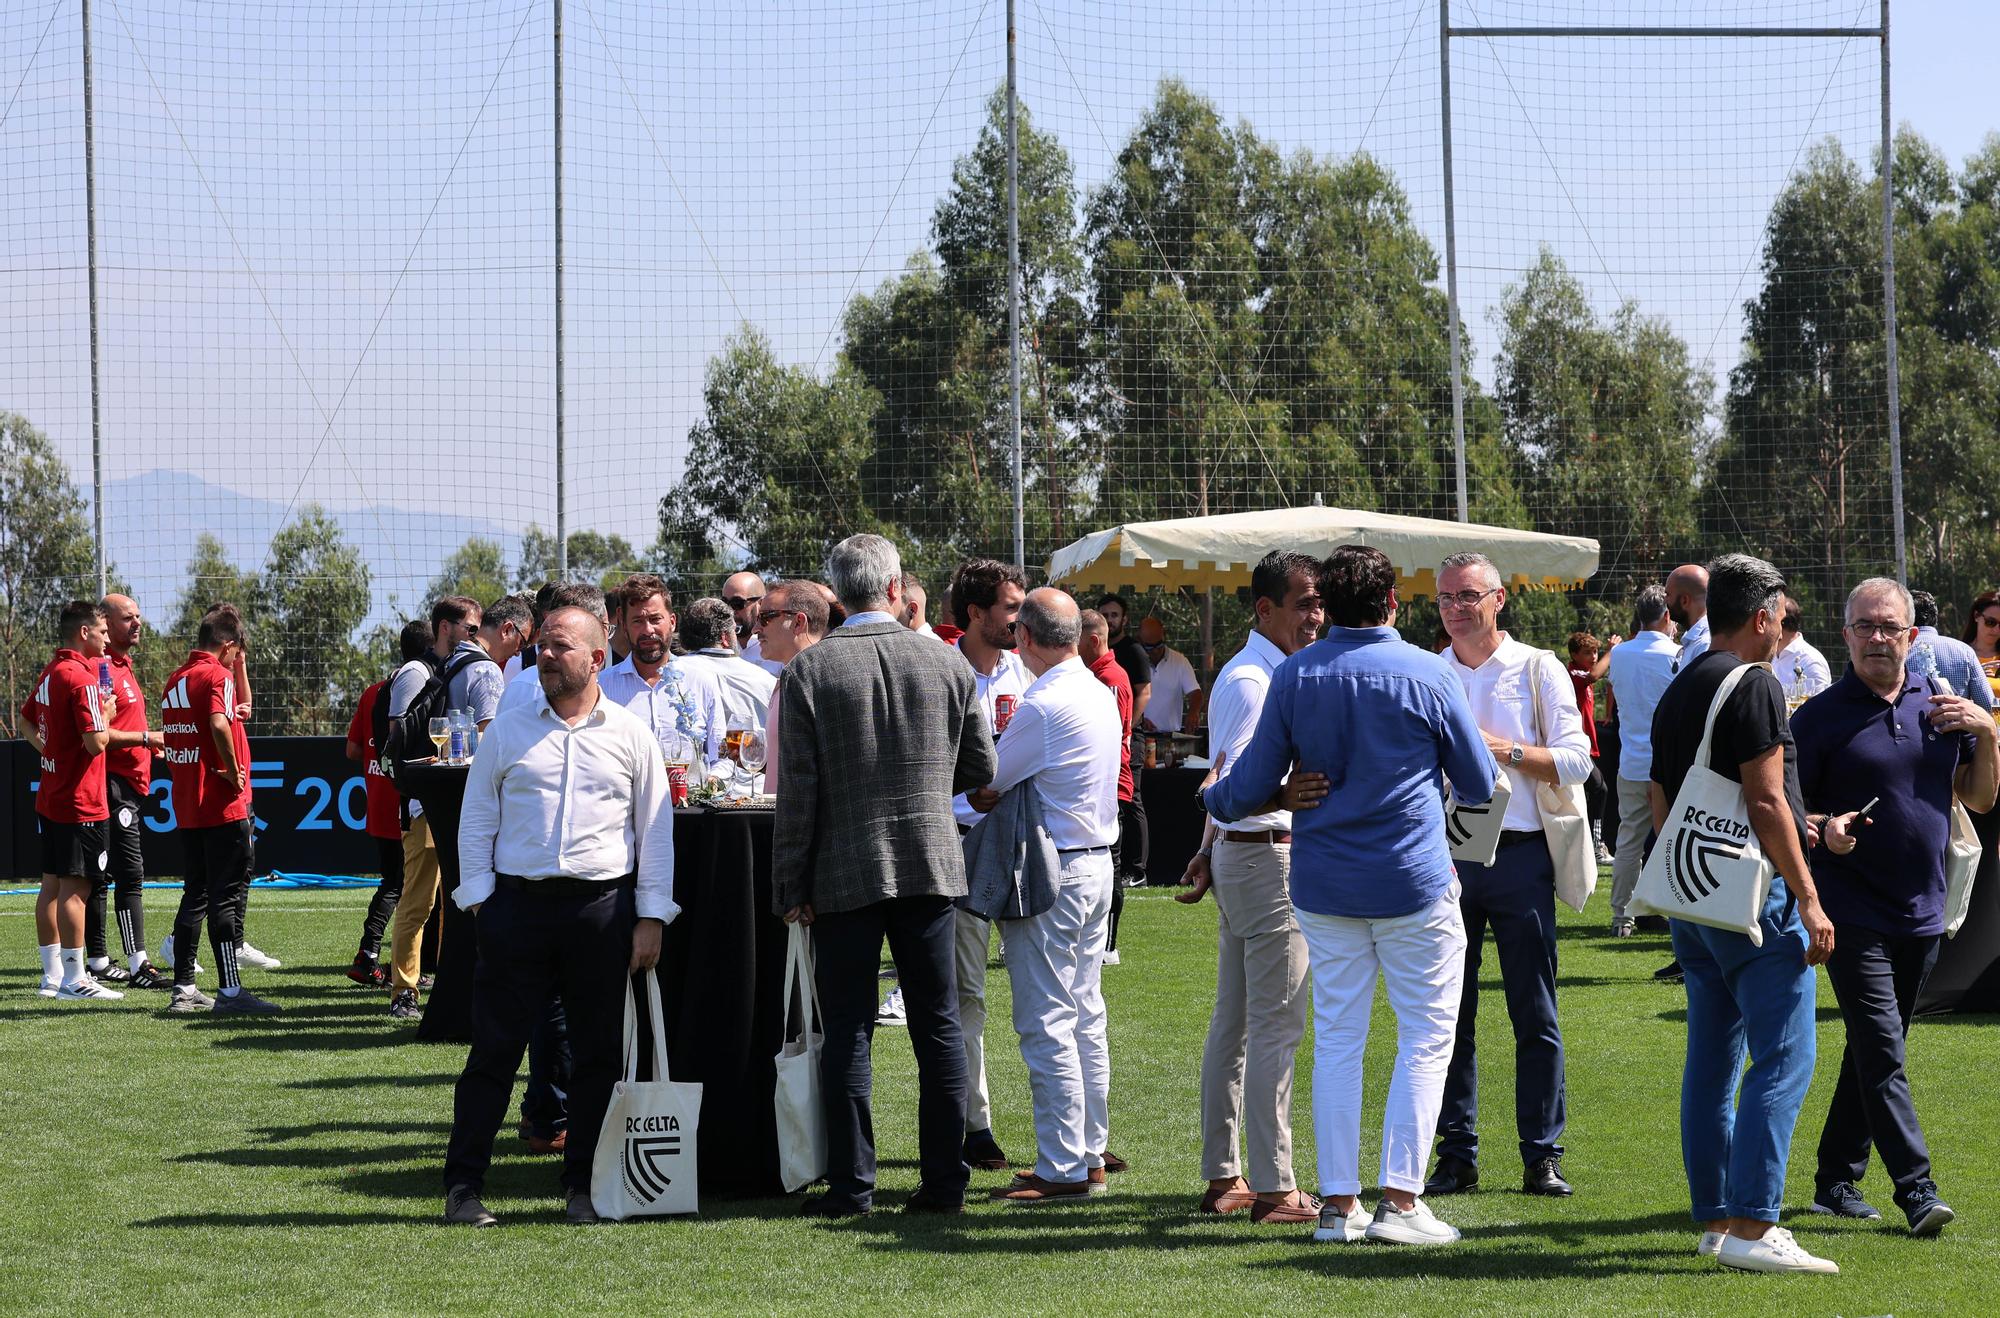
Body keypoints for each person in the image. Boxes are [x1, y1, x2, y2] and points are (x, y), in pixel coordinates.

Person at [1206, 546, 1495, 1246]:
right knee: (1425, 1040)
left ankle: (1340, 1208)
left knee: (1338, 1041)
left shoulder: (1296, 674)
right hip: (1412, 883)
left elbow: (1244, 790)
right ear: (1393, 602)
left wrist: (1212, 794)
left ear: (1327, 606)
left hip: (1323, 885)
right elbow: (1481, 783)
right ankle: (1399, 1200)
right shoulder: (1428, 673)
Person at [773, 535, 995, 1217]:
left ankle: (853, 1187)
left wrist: (789, 885)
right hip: (930, 864)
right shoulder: (947, 662)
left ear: (838, 596)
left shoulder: (810, 672)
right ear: (896, 588)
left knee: (849, 1032)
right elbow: (981, 770)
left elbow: (798, 794)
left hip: (843, 871)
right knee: (938, 1026)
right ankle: (944, 1184)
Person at [441, 605, 675, 1228]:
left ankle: (583, 1190)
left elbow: (654, 832)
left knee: (597, 1058)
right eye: (542, 645)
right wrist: (481, 901)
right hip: (516, 909)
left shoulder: (630, 735)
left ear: (597, 658)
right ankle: (463, 1189)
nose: (544, 655)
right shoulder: (508, 730)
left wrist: (650, 915)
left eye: (560, 646)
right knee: (493, 1054)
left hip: (601, 913)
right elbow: (476, 821)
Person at [1649, 552, 1838, 1275]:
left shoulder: (1681, 682)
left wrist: (1679, 878)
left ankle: (1718, 1219)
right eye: (1784, 619)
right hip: (1755, 900)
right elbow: (1764, 800)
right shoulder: (1756, 683)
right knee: (1786, 1057)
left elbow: (1658, 792)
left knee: (1712, 1060)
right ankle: (1757, 1228)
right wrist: (1811, 896)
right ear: (1761, 616)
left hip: (1693, 898)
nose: (1784, 631)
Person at [1793, 577, 1994, 1236]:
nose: (1877, 638)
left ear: (1912, 635)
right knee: (1883, 1051)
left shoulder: (1942, 708)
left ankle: (1834, 1180)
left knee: (1875, 1048)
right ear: (1845, 634)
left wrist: (1987, 733)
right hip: (1849, 911)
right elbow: (1788, 814)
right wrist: (1828, 828)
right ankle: (1917, 1189)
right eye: (1864, 626)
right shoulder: (1818, 717)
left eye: (1889, 627)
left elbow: (1982, 799)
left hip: (1924, 911)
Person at [1426, 552, 1592, 1201]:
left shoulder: (1536, 667)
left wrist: (1502, 752)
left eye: (1467, 596)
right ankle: (1456, 1154)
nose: (1455, 608)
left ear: (1498, 600)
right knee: (1447, 1015)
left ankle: (1541, 1156)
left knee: (1536, 1014)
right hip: (1446, 858)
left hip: (1521, 857)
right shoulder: (1429, 671)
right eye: (1445, 598)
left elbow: (1577, 760)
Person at [1178, 551, 1324, 1224]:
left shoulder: (1264, 673)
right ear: (1264, 610)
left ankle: (1227, 1176)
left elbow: (1223, 787)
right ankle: (1273, 1186)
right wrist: (1276, 795)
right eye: (1303, 603)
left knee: (1237, 1025)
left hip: (1248, 854)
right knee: (1273, 1026)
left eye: (1319, 602)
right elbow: (1227, 783)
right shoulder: (1254, 681)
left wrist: (1208, 853)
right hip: (1267, 858)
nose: (1317, 615)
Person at [965, 589, 1123, 1204]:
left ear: (1027, 637)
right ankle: (1087, 1155)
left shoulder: (1045, 703)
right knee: (1083, 1014)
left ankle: (1063, 1167)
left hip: (1053, 874)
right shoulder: (1095, 691)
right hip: (1092, 866)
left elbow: (988, 786)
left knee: (1047, 1021)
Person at [944, 557, 1031, 1170]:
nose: (1018, 619)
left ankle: (1077, 1135)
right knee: (967, 994)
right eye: (1010, 608)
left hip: (1022, 847)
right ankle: (975, 1124)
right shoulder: (942, 673)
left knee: (1043, 993)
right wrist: (963, 799)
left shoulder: (1026, 675)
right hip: (959, 846)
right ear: (975, 614)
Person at [160, 604, 280, 1015]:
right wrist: (231, 771)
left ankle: (184, 989)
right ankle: (230, 992)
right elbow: (216, 723)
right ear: (227, 646)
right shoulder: (217, 675)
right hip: (220, 805)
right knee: (224, 899)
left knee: (194, 894)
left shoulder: (175, 678)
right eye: (235, 651)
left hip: (188, 804)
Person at [382, 595, 481, 1020]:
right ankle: (403, 989)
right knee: (418, 902)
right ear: (447, 629)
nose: (476, 639)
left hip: (449, 800)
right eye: (470, 630)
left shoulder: (444, 670)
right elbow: (398, 739)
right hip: (423, 805)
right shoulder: (415, 672)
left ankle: (439, 980)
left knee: (450, 900)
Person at [21, 600, 121, 1001]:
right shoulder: (80, 678)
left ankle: (52, 977)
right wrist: (108, 714)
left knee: (51, 885)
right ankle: (75, 979)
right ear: (85, 633)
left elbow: (26, 720)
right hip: (80, 800)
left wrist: (48, 750)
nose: (107, 637)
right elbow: (96, 744)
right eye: (102, 630)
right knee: (76, 889)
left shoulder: (51, 670)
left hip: (53, 795)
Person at [342, 620, 431, 987]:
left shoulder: (373, 692)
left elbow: (352, 750)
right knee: (402, 886)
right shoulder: (424, 690)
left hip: (379, 799)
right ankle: (370, 954)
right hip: (404, 802)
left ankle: (383, 958)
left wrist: (377, 759)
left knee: (393, 881)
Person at [91, 593, 172, 989]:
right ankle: (137, 963)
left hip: (126, 786)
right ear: (104, 621)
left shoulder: (122, 666)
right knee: (127, 873)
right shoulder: (102, 668)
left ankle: (97, 959)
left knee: (108, 874)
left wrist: (145, 744)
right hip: (112, 787)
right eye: (127, 618)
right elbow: (100, 733)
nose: (137, 623)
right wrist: (145, 736)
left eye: (138, 616)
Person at [1605, 586, 1681, 936]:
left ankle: (1622, 916)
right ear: (1667, 616)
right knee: (1674, 841)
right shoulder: (1677, 654)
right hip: (1668, 765)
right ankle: (1676, 911)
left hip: (1632, 762)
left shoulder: (1619, 654)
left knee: (1628, 843)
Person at [601, 575, 727, 763]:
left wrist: (712, 783)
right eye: (637, 621)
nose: (648, 630)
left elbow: (721, 759)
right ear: (624, 625)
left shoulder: (700, 682)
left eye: (655, 619)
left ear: (673, 621)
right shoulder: (602, 687)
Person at [1079, 610, 1135, 966]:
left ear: (1094, 641)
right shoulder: (1097, 676)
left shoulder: (1109, 678)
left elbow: (1109, 737)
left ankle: (1108, 945)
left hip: (1112, 786)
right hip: (1104, 784)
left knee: (1109, 866)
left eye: (1075, 640)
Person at [1095, 595, 1153, 887]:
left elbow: (1144, 692)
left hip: (1130, 736)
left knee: (1131, 800)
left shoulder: (1132, 651)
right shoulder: (1097, 653)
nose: (1110, 618)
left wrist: (1127, 729)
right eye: (1104, 613)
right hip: (1110, 737)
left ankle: (1137, 868)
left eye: (1114, 614)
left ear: (1125, 619)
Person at [753, 579, 829, 796]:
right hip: (778, 820)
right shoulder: (789, 676)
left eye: (766, 617)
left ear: (798, 623)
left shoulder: (820, 680)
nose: (755, 628)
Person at [674, 597, 776, 736]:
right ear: (725, 637)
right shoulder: (766, 681)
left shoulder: (670, 674)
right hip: (750, 756)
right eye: (735, 630)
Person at [1565, 630, 1617, 867]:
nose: (1594, 657)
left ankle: (1583, 848)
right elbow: (1595, 676)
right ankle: (1596, 846)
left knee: (1585, 796)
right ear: (1574, 655)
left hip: (1585, 747)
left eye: (1596, 652)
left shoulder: (1583, 672)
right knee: (1600, 789)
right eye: (1587, 652)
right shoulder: (1573, 673)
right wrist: (1611, 651)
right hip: (1574, 747)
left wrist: (1606, 715)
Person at [1909, 590, 1994, 711]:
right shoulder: (1965, 651)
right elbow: (1989, 706)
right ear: (1935, 617)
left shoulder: (1896, 652)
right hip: (1957, 728)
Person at [1137, 616, 1204, 738]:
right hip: (1140, 736)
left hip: (1170, 737)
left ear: (1164, 635)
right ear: (1140, 641)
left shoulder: (1180, 661)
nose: (1156, 651)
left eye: (1159, 644)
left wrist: (1193, 712)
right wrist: (1139, 720)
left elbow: (1196, 693)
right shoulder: (1133, 662)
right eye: (1150, 647)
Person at [725, 570, 784, 675]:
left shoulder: (779, 646)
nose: (730, 610)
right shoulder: (717, 646)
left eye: (737, 603)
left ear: (761, 603)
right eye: (724, 604)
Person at [1773, 595, 1833, 699]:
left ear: (1780, 623)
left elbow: (1820, 707)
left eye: (1769, 620)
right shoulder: (1770, 655)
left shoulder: (1811, 661)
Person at [1668, 563, 1711, 672]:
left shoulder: (1705, 644)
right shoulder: (1694, 641)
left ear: (1684, 601)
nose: (1664, 601)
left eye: (1668, 594)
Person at [1959, 589, 2000, 699]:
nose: (1996, 630)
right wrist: (1976, 677)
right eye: (1991, 622)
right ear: (1976, 616)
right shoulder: (1959, 655)